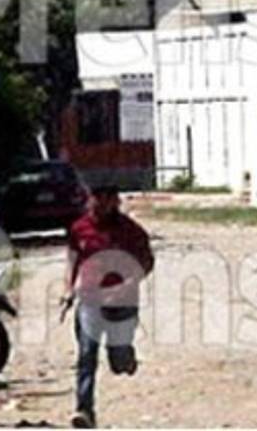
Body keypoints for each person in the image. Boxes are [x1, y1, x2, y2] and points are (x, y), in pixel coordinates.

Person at [60, 183, 154, 429]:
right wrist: (68, 290)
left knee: (118, 360)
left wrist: (128, 285)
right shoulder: (79, 228)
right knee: (86, 355)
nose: (101, 204)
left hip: (122, 302)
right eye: (96, 198)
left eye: (108, 199)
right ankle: (84, 410)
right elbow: (72, 260)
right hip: (89, 300)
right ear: (89, 200)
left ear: (116, 202)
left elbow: (146, 262)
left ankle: (126, 356)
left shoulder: (131, 231)